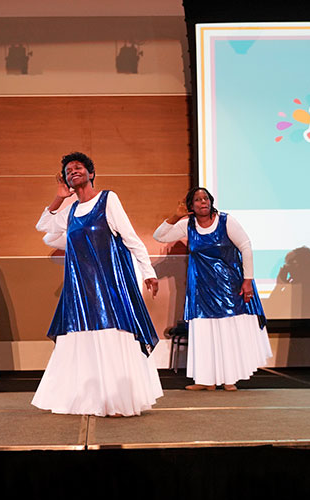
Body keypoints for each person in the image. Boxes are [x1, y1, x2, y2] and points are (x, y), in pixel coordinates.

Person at [32, 152, 163, 417]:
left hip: (109, 285)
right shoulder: (70, 210)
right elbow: (43, 227)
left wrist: (147, 271)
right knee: (82, 338)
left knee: (111, 335)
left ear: (91, 173)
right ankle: (86, 399)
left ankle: (116, 401)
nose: (73, 172)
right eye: (68, 171)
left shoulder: (107, 199)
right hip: (80, 289)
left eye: (78, 167)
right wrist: (60, 197)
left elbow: (130, 238)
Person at [153, 187, 272, 390]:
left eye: (206, 198)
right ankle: (205, 380)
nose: (203, 202)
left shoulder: (226, 221)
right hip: (202, 288)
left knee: (227, 331)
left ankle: (229, 379)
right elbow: (159, 236)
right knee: (204, 332)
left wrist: (248, 280)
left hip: (229, 286)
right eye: (198, 199)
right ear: (191, 206)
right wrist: (176, 216)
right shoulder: (187, 224)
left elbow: (245, 246)